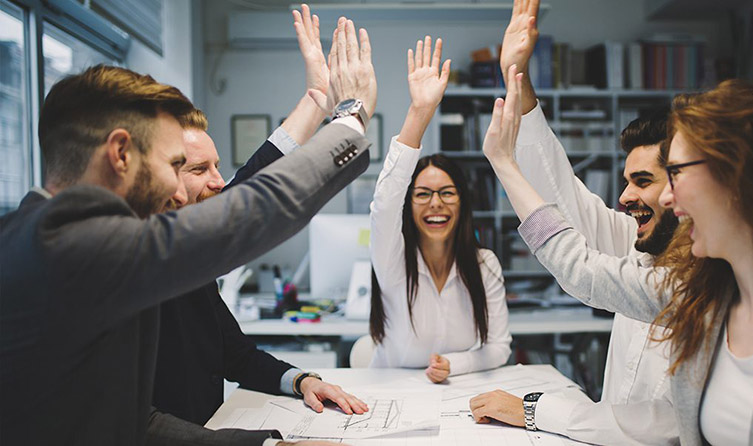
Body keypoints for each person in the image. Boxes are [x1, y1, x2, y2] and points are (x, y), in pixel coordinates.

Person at [0, 13, 376, 444]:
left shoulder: (38, 236)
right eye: (174, 166)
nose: (178, 194)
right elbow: (255, 207)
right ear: (121, 153)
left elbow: (133, 420)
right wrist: (351, 117)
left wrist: (316, 105)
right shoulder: (73, 247)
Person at [482, 66, 753, 444]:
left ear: (738, 178)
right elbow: (565, 209)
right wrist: (519, 82)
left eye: (676, 173)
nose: (664, 196)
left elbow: (666, 425)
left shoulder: (701, 290)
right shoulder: (701, 294)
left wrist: (504, 163)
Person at [468, 1, 679, 443]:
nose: (624, 198)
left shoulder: (709, 282)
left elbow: (661, 427)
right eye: (626, 181)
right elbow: (562, 194)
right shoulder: (639, 244)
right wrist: (517, 76)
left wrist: (533, 409)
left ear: (684, 187)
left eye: (643, 180)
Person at [152, 6, 366, 433]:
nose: (218, 183)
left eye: (217, 167)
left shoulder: (186, 259)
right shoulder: (145, 263)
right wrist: (349, 118)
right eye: (198, 170)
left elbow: (235, 355)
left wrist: (301, 380)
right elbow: (253, 195)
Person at [368, 36, 511, 383]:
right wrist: (420, 113)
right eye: (423, 194)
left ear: (462, 202)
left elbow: (499, 346)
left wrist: (454, 365)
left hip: (454, 394)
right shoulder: (392, 259)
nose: (436, 203)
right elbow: (385, 204)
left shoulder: (484, 264)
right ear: (409, 203)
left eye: (447, 193)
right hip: (391, 394)